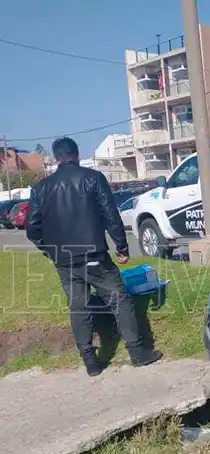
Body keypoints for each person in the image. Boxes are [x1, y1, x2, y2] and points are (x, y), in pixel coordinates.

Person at [26, 137, 162, 377]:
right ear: (77, 155)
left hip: (64, 261)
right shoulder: (93, 178)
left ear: (56, 158)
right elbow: (111, 215)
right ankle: (137, 352)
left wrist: (49, 250)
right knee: (120, 300)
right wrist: (122, 247)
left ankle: (90, 361)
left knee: (78, 307)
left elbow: (32, 229)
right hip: (94, 256)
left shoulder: (41, 188)